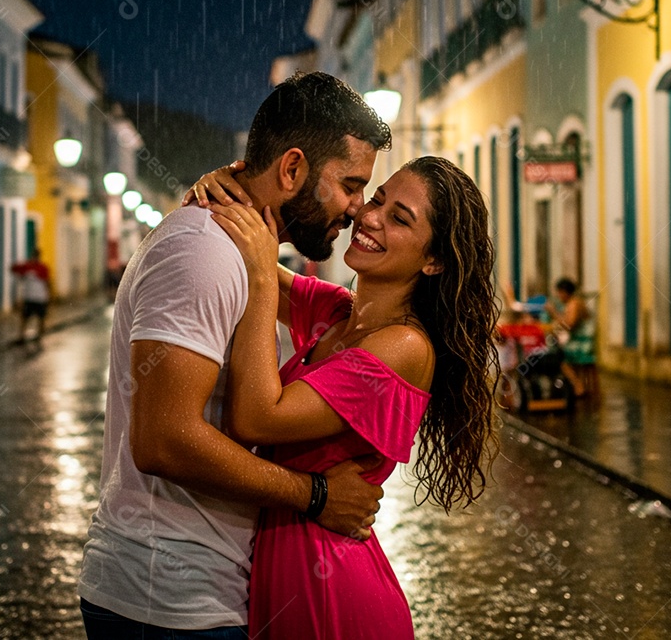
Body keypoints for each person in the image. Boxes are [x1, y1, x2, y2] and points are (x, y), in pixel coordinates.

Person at [78, 71, 392, 638]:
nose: (358, 209)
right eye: (350, 184)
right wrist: (315, 496)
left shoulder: (242, 252)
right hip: (167, 598)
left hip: (200, 592)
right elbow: (163, 438)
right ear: (293, 169)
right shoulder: (204, 254)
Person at [191, 156, 500, 638]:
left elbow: (255, 418)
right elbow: (241, 246)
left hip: (332, 594)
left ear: (433, 260)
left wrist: (256, 276)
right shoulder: (340, 313)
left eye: (399, 218)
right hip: (287, 574)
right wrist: (222, 186)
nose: (369, 217)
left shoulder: (404, 346)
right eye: (377, 199)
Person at [544, 277, 596, 396]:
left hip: (582, 344)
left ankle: (578, 386)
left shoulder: (574, 303)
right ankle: (574, 385)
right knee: (556, 351)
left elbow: (569, 325)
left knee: (559, 359)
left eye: (559, 293)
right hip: (578, 341)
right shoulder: (572, 303)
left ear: (564, 292)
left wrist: (554, 313)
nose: (558, 296)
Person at [11, 248, 52, 342]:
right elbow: (14, 269)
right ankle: (22, 335)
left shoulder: (43, 268)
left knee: (40, 317)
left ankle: (39, 334)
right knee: (25, 317)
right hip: (29, 297)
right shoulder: (26, 267)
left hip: (40, 297)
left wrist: (48, 296)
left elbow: (47, 282)